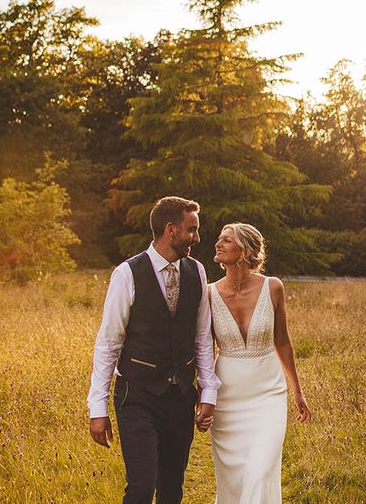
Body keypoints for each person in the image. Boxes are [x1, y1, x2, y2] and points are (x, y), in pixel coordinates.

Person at [87, 196, 221, 504]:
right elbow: (108, 344)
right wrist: (98, 407)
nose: (197, 238)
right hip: (137, 396)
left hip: (181, 398)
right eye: (192, 229)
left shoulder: (197, 272)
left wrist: (207, 393)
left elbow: (202, 338)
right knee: (142, 487)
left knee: (172, 490)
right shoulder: (127, 274)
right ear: (171, 229)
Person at [209, 222, 312, 504]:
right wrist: (203, 397)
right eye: (219, 239)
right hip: (226, 398)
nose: (218, 244)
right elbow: (204, 350)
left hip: (268, 393)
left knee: (259, 470)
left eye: (227, 240)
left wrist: (298, 391)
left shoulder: (273, 287)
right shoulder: (208, 294)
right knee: (232, 481)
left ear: (246, 250)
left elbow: (283, 342)